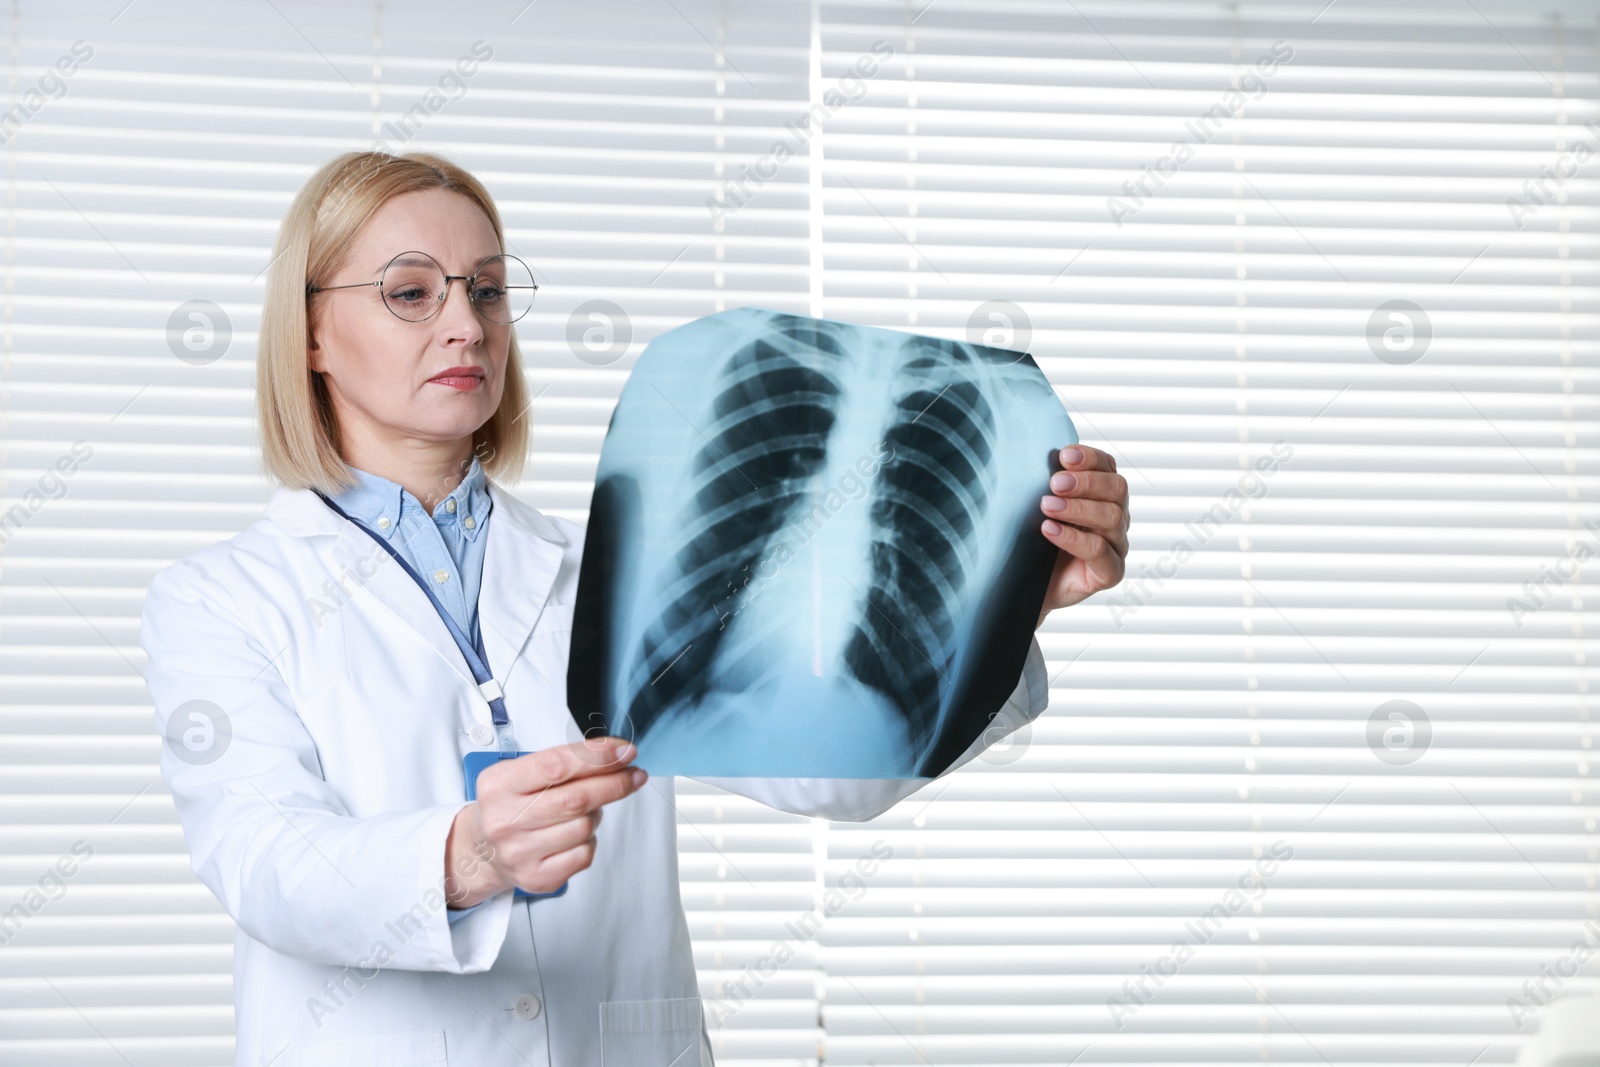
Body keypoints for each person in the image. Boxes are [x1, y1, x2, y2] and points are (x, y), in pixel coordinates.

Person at [138, 150, 1130, 1066]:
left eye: (487, 288)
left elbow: (837, 775)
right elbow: (264, 858)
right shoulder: (221, 597)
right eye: (410, 292)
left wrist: (1007, 603)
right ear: (309, 330)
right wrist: (465, 854)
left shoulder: (616, 562)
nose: (465, 323)